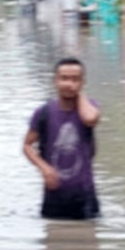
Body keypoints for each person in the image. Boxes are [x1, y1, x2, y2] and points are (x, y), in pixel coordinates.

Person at [24, 58, 101, 219]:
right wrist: (44, 168)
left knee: (89, 241)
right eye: (64, 78)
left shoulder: (89, 106)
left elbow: (90, 119)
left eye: (75, 79)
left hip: (85, 196)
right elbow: (27, 145)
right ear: (55, 80)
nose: (68, 84)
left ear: (82, 82)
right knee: (53, 240)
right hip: (54, 198)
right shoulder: (44, 112)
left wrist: (78, 93)